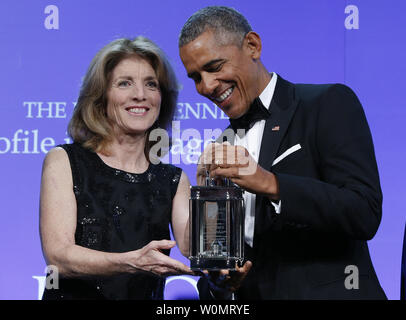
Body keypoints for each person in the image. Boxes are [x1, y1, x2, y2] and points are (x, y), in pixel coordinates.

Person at [178, 6, 386, 299]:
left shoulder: (326, 103)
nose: (206, 86)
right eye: (195, 77)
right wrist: (219, 283)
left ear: (252, 45)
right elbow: (226, 269)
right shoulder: (223, 145)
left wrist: (271, 184)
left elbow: (364, 211)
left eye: (214, 67)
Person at [39, 37, 194, 300]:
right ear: (101, 96)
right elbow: (58, 257)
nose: (140, 95)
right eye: (125, 83)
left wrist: (212, 191)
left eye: (151, 84)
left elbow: (197, 249)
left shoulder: (172, 180)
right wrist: (131, 261)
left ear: (162, 99)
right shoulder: (64, 161)